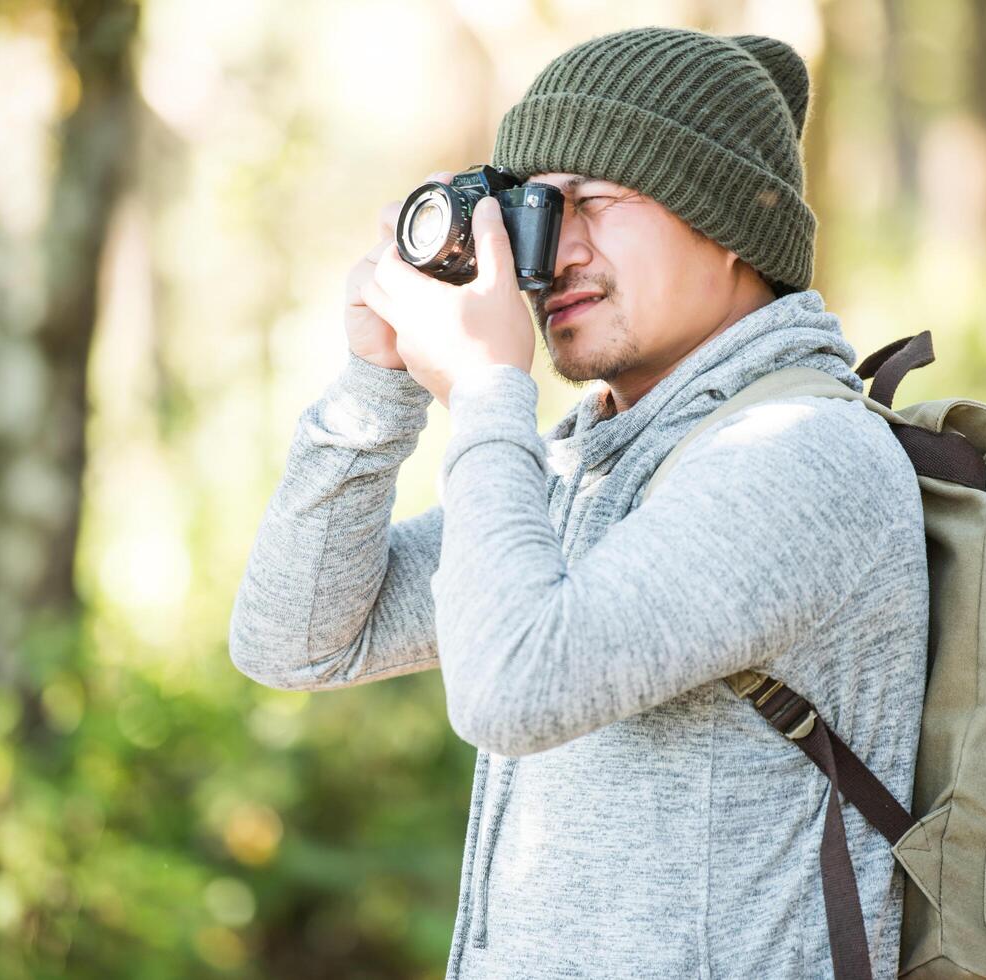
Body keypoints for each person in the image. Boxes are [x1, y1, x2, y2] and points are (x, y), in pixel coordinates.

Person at [229, 25, 929, 980]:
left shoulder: (803, 456)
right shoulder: (588, 466)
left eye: (594, 201)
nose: (548, 254)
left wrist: (484, 391)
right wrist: (379, 377)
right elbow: (296, 638)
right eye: (532, 210)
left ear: (724, 218)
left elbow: (512, 688)